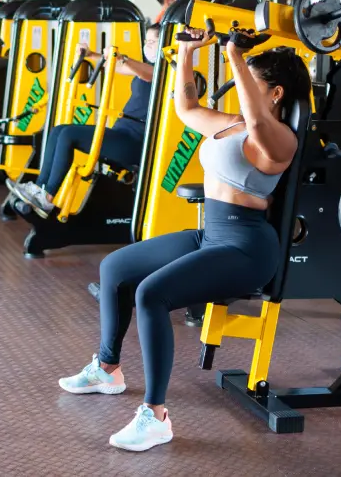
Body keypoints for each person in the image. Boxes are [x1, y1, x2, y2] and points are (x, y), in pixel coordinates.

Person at [56, 28, 311, 452]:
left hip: (246, 248)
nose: (239, 85)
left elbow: (258, 117)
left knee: (151, 294)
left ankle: (155, 417)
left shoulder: (280, 138)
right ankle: (107, 369)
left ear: (276, 93)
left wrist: (232, 53)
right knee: (115, 268)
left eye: (250, 79)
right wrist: (187, 54)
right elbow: (186, 107)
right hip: (210, 233)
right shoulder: (231, 124)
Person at [7, 24, 160, 219]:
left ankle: (47, 196)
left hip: (134, 143)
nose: (147, 45)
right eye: (145, 41)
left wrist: (124, 58)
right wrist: (92, 54)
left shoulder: (164, 72)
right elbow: (117, 66)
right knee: (58, 130)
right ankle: (39, 188)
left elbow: (148, 73)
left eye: (152, 42)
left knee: (68, 135)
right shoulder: (146, 68)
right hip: (120, 133)